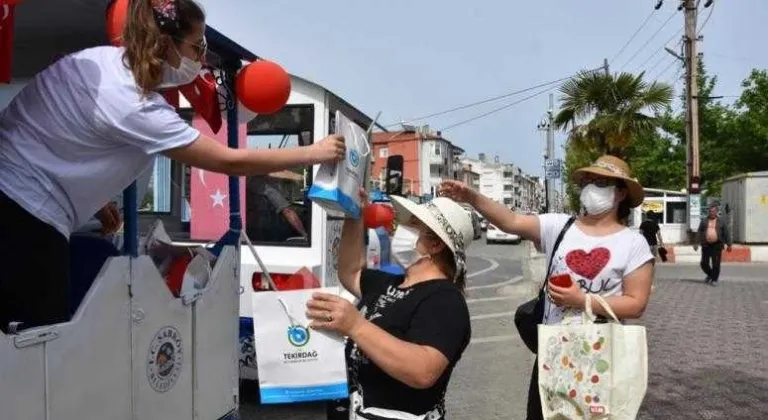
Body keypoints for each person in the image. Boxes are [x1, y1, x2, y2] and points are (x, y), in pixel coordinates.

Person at [0, 0, 345, 333]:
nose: (201, 57)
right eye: (197, 47)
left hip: (17, 198)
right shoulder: (134, 103)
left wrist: (89, 198)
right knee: (36, 349)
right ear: (166, 44)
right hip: (25, 220)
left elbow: (58, 137)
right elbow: (229, 160)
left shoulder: (96, 62)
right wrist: (314, 153)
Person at [440, 155, 654, 420]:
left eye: (600, 182)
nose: (590, 188)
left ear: (621, 193)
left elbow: (636, 303)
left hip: (600, 355)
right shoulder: (560, 226)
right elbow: (511, 221)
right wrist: (472, 197)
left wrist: (582, 300)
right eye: (587, 181)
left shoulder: (633, 244)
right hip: (554, 353)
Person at [309, 189, 474, 419]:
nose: (399, 229)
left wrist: (355, 326)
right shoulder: (388, 282)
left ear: (435, 244)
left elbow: (423, 370)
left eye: (413, 225)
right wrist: (354, 214)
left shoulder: (445, 300)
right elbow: (350, 271)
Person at [245, 175, 308, 242]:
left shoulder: (251, 182)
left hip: (254, 229)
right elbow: (288, 211)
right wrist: (305, 235)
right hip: (264, 232)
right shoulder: (265, 186)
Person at [693, 204, 732, 286]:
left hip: (717, 245)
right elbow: (699, 232)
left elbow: (726, 233)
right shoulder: (704, 221)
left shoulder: (721, 221)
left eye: (714, 211)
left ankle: (714, 279)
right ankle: (711, 275)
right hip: (706, 245)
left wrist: (729, 244)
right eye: (710, 211)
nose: (712, 213)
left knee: (716, 263)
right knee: (703, 263)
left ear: (717, 212)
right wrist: (696, 243)